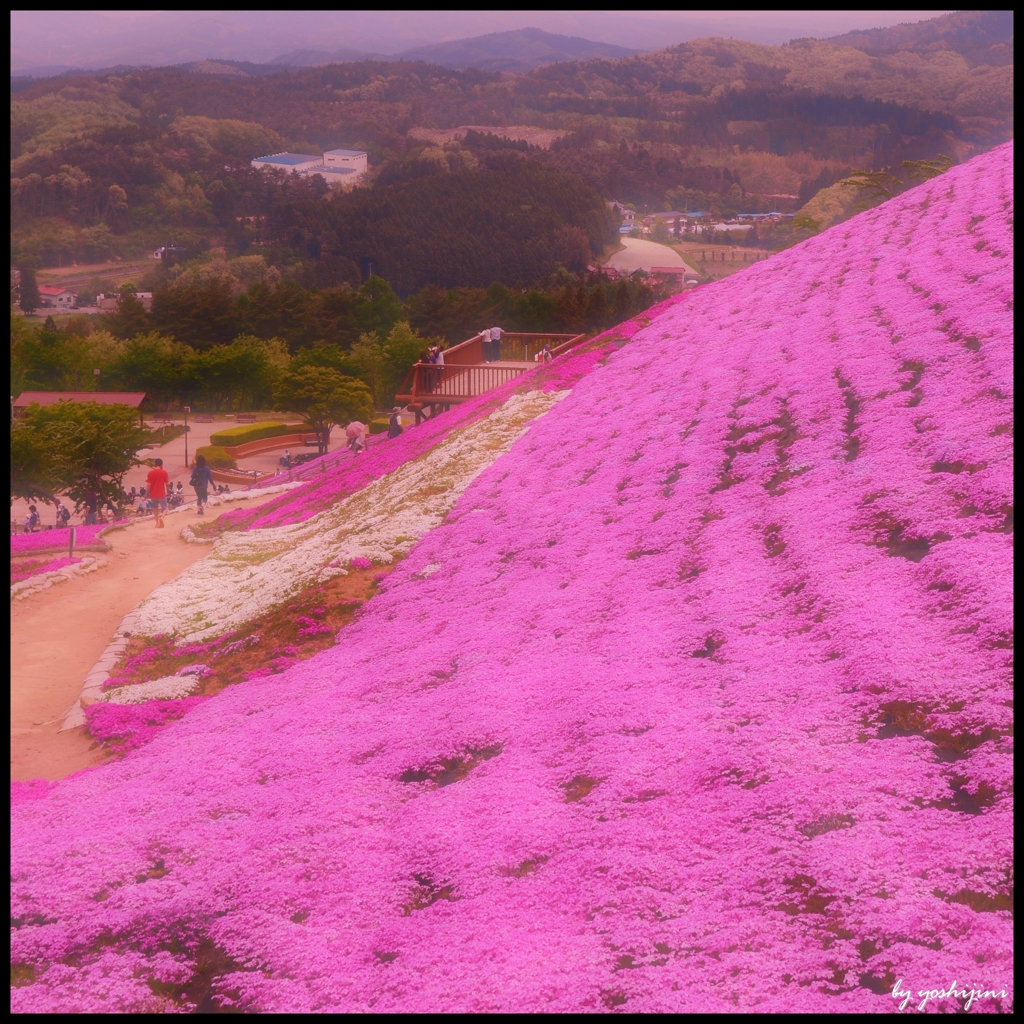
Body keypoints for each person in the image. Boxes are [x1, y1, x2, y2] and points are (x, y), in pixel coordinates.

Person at [146, 457, 170, 529]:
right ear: (161, 465)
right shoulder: (164, 472)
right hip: (161, 494)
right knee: (165, 508)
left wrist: (146, 494)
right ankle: (162, 517)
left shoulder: (150, 473)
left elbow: (149, 484)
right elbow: (167, 483)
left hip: (153, 494)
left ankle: (157, 523)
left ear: (155, 464)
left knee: (155, 508)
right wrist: (168, 490)